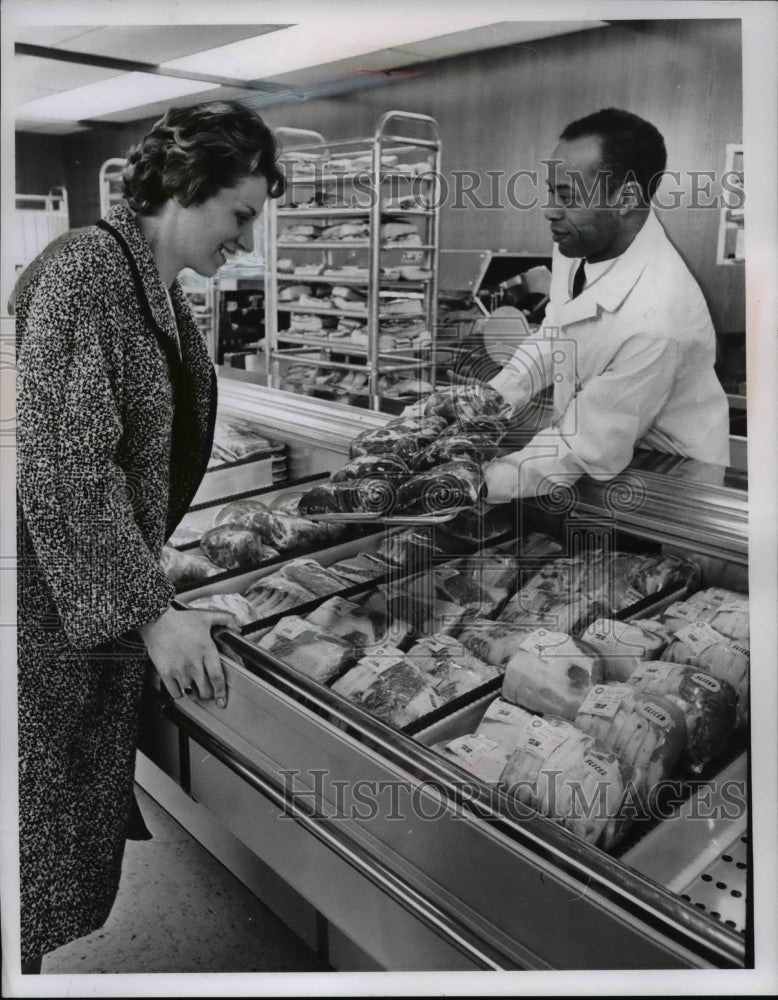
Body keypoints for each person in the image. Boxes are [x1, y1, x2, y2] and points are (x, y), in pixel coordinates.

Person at [14, 100, 285, 972]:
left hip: (100, 589)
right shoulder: (88, 274)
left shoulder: (157, 288)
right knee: (40, 817)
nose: (245, 239)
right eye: (240, 214)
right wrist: (153, 612)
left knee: (62, 809)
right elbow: (64, 470)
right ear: (188, 186)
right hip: (59, 611)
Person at [482, 107, 731, 503]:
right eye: (550, 190)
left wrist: (472, 484)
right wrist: (488, 403)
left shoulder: (660, 320)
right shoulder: (577, 242)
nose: (549, 210)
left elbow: (580, 445)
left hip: (664, 480)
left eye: (566, 195)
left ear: (626, 197)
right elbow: (554, 334)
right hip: (597, 453)